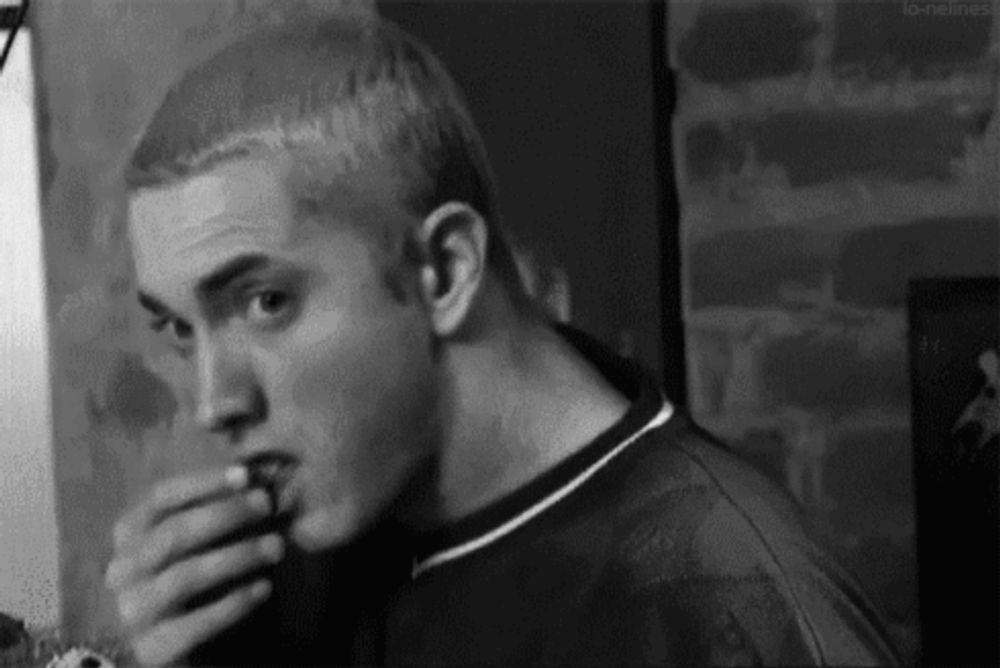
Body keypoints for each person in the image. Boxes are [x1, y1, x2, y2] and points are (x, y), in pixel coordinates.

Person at [105, 15, 902, 667]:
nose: (214, 402)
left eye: (266, 302)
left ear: (445, 270)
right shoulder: (308, 562)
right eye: (179, 328)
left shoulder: (725, 603)